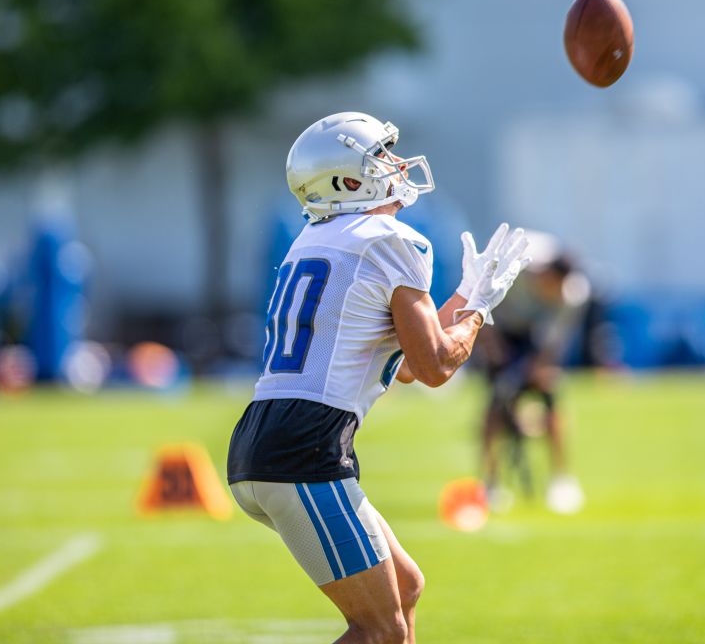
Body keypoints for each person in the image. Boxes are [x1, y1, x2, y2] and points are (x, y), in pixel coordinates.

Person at [226, 112, 531, 644]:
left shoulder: (316, 239)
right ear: (348, 181)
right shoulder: (389, 238)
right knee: (378, 631)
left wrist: (465, 295)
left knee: (405, 590)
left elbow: (410, 362)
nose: (394, 164)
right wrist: (480, 309)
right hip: (303, 448)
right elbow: (435, 367)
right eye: (380, 157)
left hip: (272, 437)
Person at [475, 232, 589, 514]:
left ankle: (561, 479)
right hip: (498, 330)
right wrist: (497, 357)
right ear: (544, 274)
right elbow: (480, 308)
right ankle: (490, 483)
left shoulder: (573, 295)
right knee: (495, 408)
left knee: (550, 397)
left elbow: (554, 342)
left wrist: (539, 368)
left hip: (532, 337)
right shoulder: (515, 272)